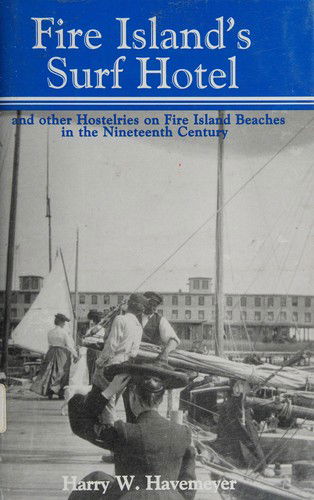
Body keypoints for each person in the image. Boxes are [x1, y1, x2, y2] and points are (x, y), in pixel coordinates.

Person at [68, 362, 196, 500]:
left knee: (94, 481)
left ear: (132, 397)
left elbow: (80, 424)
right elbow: (188, 486)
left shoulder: (124, 432)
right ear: (160, 400)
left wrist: (108, 391)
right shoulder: (183, 433)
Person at [91, 293, 148, 425]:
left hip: (112, 364)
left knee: (106, 400)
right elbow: (134, 351)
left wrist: (100, 362)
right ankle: (105, 425)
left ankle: (109, 429)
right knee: (113, 399)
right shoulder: (138, 326)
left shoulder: (120, 319)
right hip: (125, 365)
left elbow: (111, 345)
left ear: (130, 304)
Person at [213, 379, 266, 471]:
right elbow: (247, 435)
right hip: (231, 456)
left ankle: (257, 463)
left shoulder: (229, 404)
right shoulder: (235, 406)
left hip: (225, 452)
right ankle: (259, 464)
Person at [31, 313, 78, 399]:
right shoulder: (64, 332)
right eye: (63, 322)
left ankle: (49, 391)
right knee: (62, 372)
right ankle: (60, 392)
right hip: (62, 353)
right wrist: (75, 355)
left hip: (51, 351)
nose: (64, 323)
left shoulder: (50, 332)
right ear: (60, 322)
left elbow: (49, 343)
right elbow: (69, 345)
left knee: (50, 371)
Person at [142, 292, 180, 362]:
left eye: (155, 305)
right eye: (150, 304)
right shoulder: (135, 316)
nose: (152, 307)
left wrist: (165, 353)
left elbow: (174, 340)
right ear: (144, 303)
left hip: (149, 359)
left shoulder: (160, 320)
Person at [83, 310, 106, 384]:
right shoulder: (103, 329)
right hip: (100, 352)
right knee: (98, 371)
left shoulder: (92, 330)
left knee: (92, 370)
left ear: (93, 320)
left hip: (93, 351)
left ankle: (92, 384)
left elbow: (85, 341)